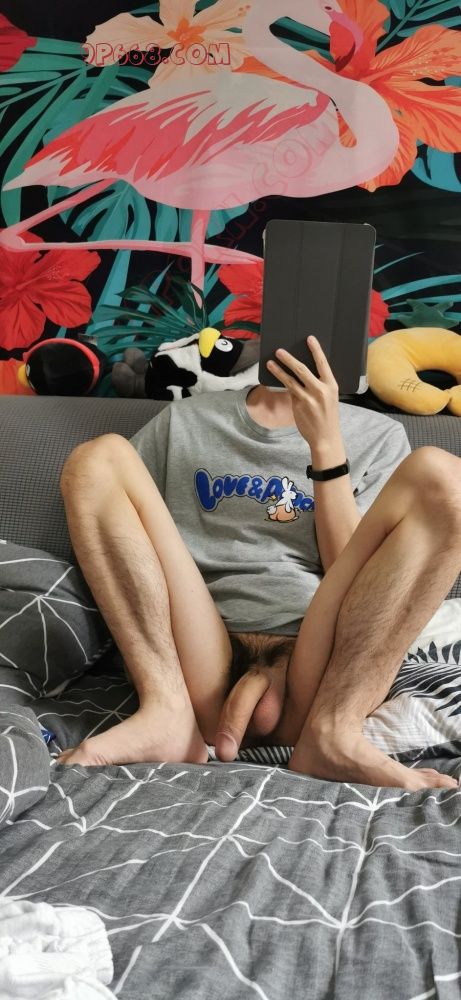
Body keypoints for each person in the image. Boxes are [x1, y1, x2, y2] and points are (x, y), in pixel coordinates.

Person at [57, 336, 461, 790]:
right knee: (95, 459)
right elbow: (121, 542)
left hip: (319, 665)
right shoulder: (183, 421)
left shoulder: (379, 434)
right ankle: (165, 713)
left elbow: (358, 575)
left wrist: (326, 443)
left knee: (445, 477)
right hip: (197, 654)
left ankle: (334, 735)